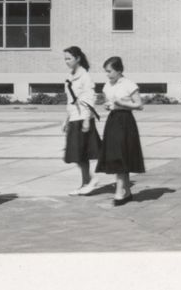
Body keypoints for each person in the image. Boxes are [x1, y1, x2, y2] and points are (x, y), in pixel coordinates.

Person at [95, 56, 146, 206]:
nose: (108, 74)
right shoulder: (107, 85)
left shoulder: (129, 84)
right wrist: (107, 105)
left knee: (120, 154)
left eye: (110, 71)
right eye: (106, 72)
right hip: (113, 120)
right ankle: (127, 192)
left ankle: (119, 193)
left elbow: (139, 105)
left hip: (125, 121)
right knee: (116, 154)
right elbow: (109, 100)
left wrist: (122, 103)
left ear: (119, 70)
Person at [61, 46, 103, 195]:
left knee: (79, 154)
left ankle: (90, 180)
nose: (66, 61)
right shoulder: (70, 76)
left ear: (78, 58)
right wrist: (66, 120)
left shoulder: (85, 76)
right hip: (74, 117)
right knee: (77, 154)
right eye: (65, 59)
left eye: (69, 58)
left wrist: (86, 120)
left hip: (82, 119)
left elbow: (89, 98)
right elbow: (70, 100)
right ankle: (86, 182)